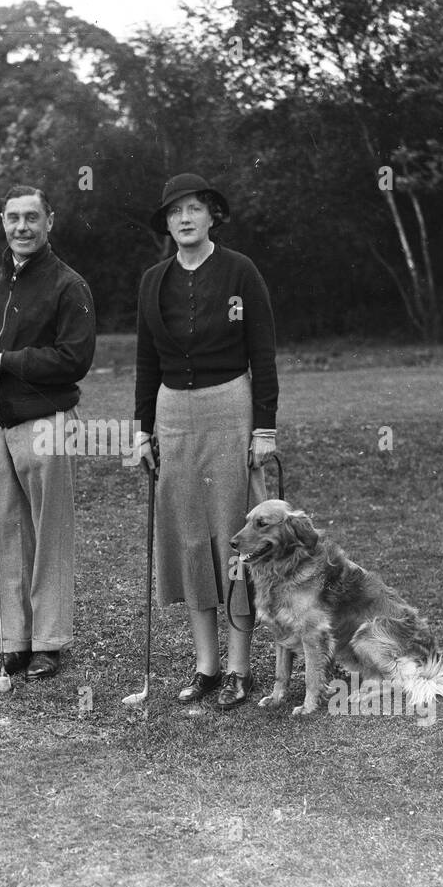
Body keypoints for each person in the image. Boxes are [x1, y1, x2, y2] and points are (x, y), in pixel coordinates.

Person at [133, 173, 280, 709]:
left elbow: (262, 354)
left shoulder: (241, 271)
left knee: (235, 536)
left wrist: (263, 427)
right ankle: (207, 667)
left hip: (230, 407)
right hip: (173, 413)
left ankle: (241, 668)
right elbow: (147, 360)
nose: (185, 219)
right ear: (167, 223)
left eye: (195, 208)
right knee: (190, 537)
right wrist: (141, 430)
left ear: (212, 214)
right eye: (175, 212)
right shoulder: (153, 280)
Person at [0, 184, 96, 681]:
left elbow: (74, 358)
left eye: (32, 218)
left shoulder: (68, 285)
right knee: (3, 532)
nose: (22, 227)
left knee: (49, 534)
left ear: (50, 222)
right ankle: (12, 641)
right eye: (14, 218)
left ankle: (49, 642)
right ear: (3, 221)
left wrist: (4, 362)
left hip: (47, 424)